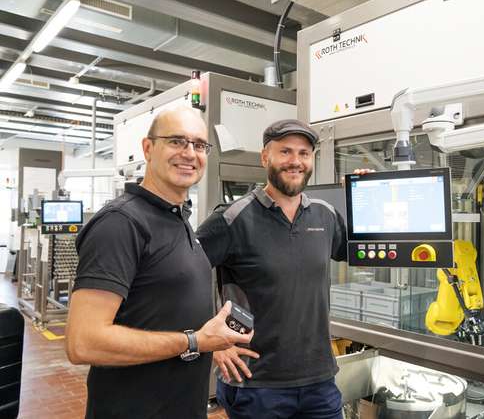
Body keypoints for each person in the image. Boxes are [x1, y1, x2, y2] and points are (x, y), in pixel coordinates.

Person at [65, 106, 253, 419]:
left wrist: (214, 342)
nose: (190, 153)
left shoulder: (178, 219)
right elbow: (83, 343)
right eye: (177, 141)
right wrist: (194, 342)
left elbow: (163, 306)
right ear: (148, 148)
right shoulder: (121, 223)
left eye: (199, 145)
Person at [197, 119, 348, 419]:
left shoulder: (326, 215)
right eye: (286, 152)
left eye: (304, 153)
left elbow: (363, 252)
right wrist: (209, 342)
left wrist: (362, 196)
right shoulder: (232, 218)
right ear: (265, 157)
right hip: (256, 385)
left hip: (319, 380)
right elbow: (181, 279)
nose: (296, 161)